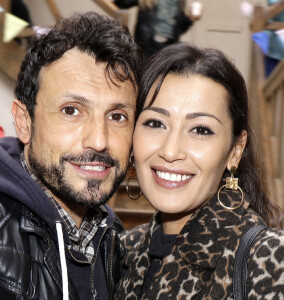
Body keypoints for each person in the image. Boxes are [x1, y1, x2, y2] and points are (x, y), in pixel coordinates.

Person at [0, 11, 141, 299]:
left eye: (117, 116)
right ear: (24, 122)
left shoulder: (110, 234)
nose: (99, 140)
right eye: (71, 110)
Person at [115, 42, 284, 299]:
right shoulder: (122, 251)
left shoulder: (270, 260)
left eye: (201, 130)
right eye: (155, 123)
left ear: (235, 151)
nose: (171, 151)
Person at [93, 0, 201, 59]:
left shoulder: (178, 2)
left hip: (168, 50)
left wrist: (190, 19)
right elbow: (119, 4)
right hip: (145, 49)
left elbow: (179, 29)